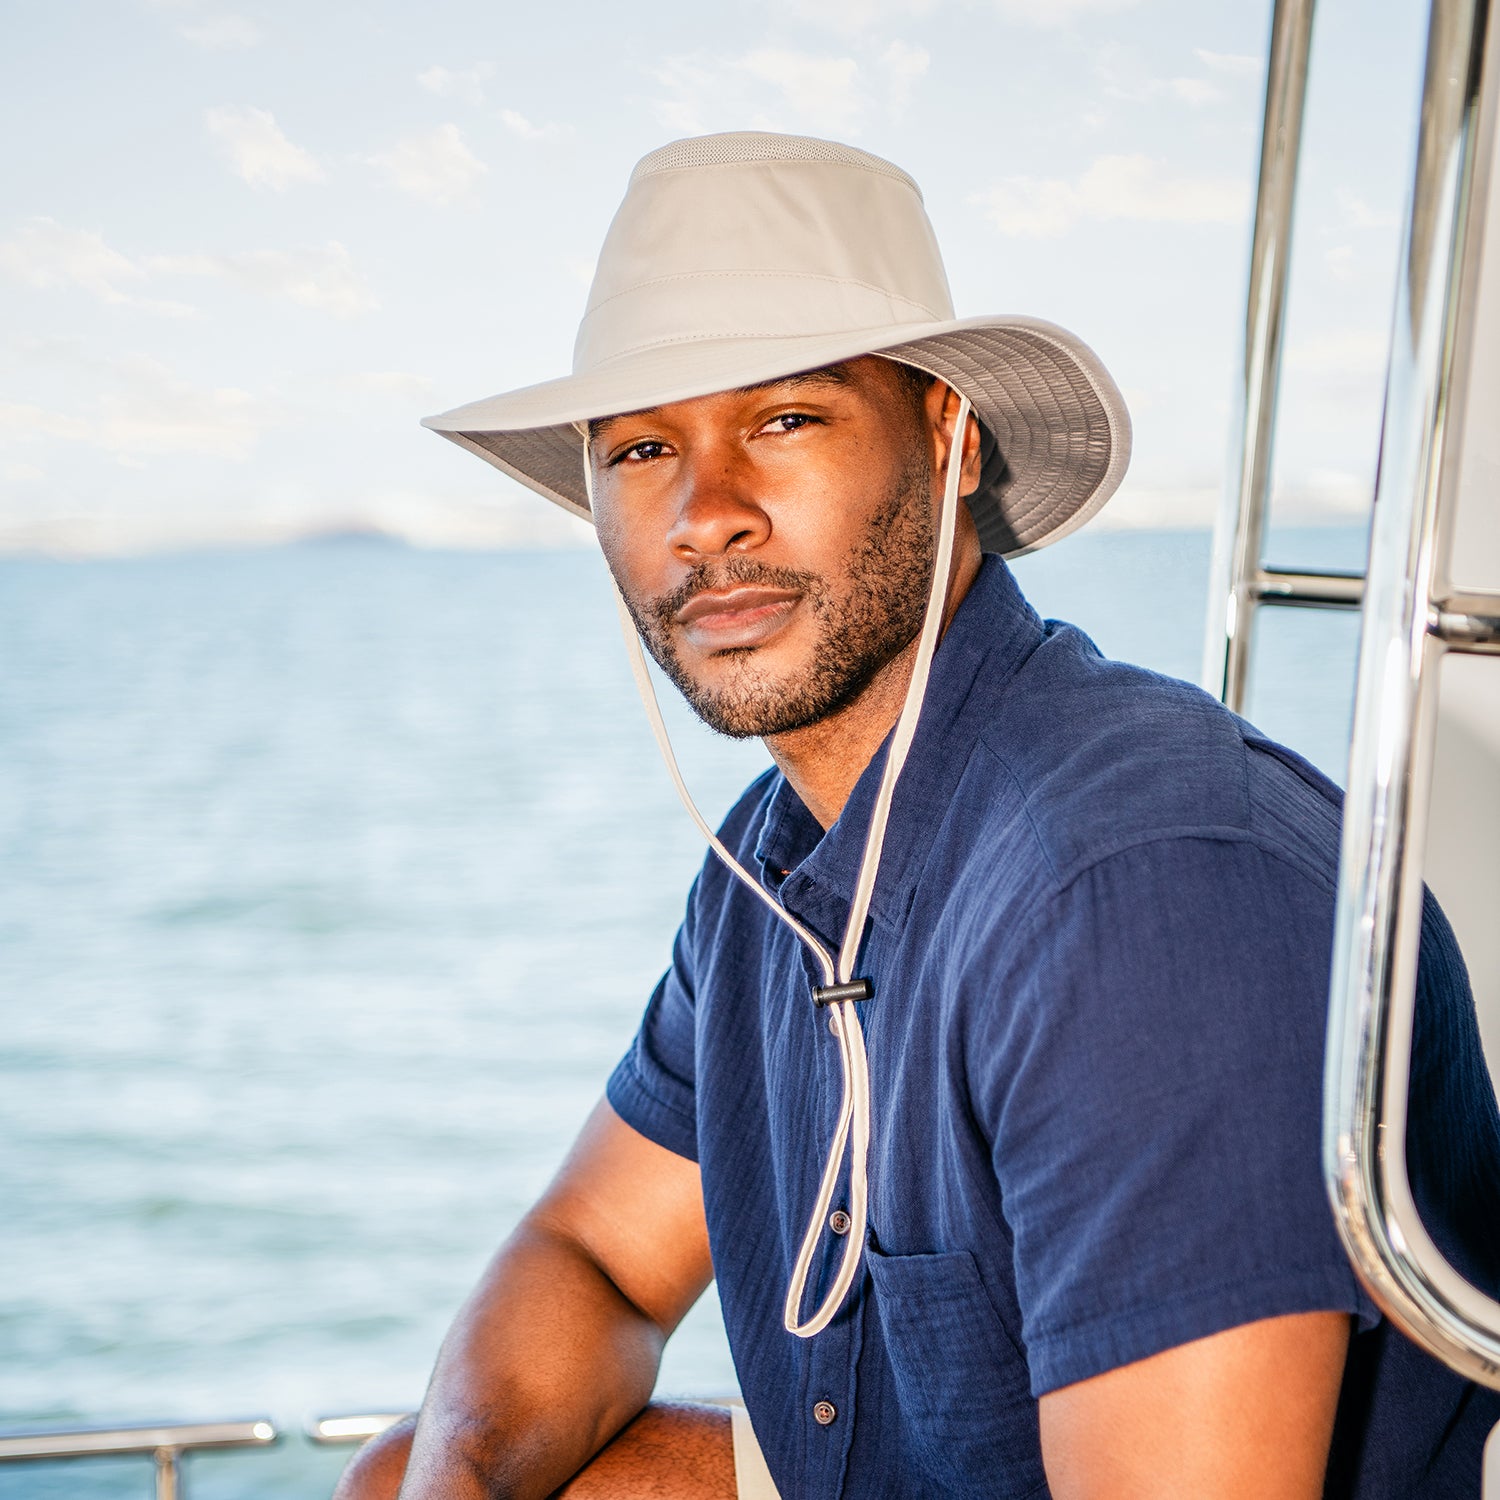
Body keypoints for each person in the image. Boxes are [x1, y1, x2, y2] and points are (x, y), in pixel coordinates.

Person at [337, 133, 1500, 1499]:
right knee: (419, 1465)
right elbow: (589, 1260)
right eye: (648, 447)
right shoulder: (771, 878)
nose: (707, 516)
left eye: (784, 419)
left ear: (948, 437)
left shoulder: (1142, 891)